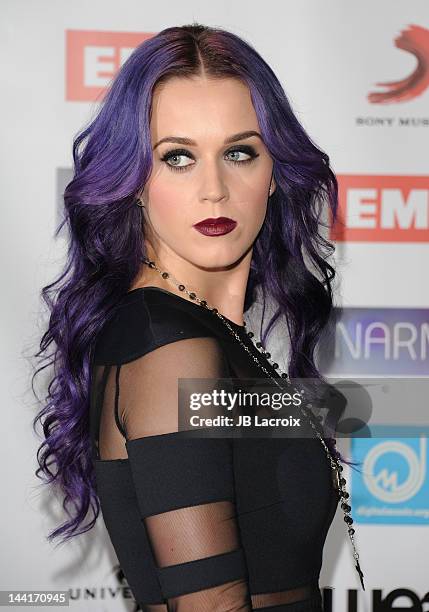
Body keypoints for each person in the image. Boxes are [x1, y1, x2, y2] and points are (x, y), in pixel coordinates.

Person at [33, 22, 364, 612]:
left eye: (239, 152)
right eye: (178, 157)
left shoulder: (199, 334)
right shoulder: (169, 345)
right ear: (133, 181)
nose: (214, 188)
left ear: (274, 173)